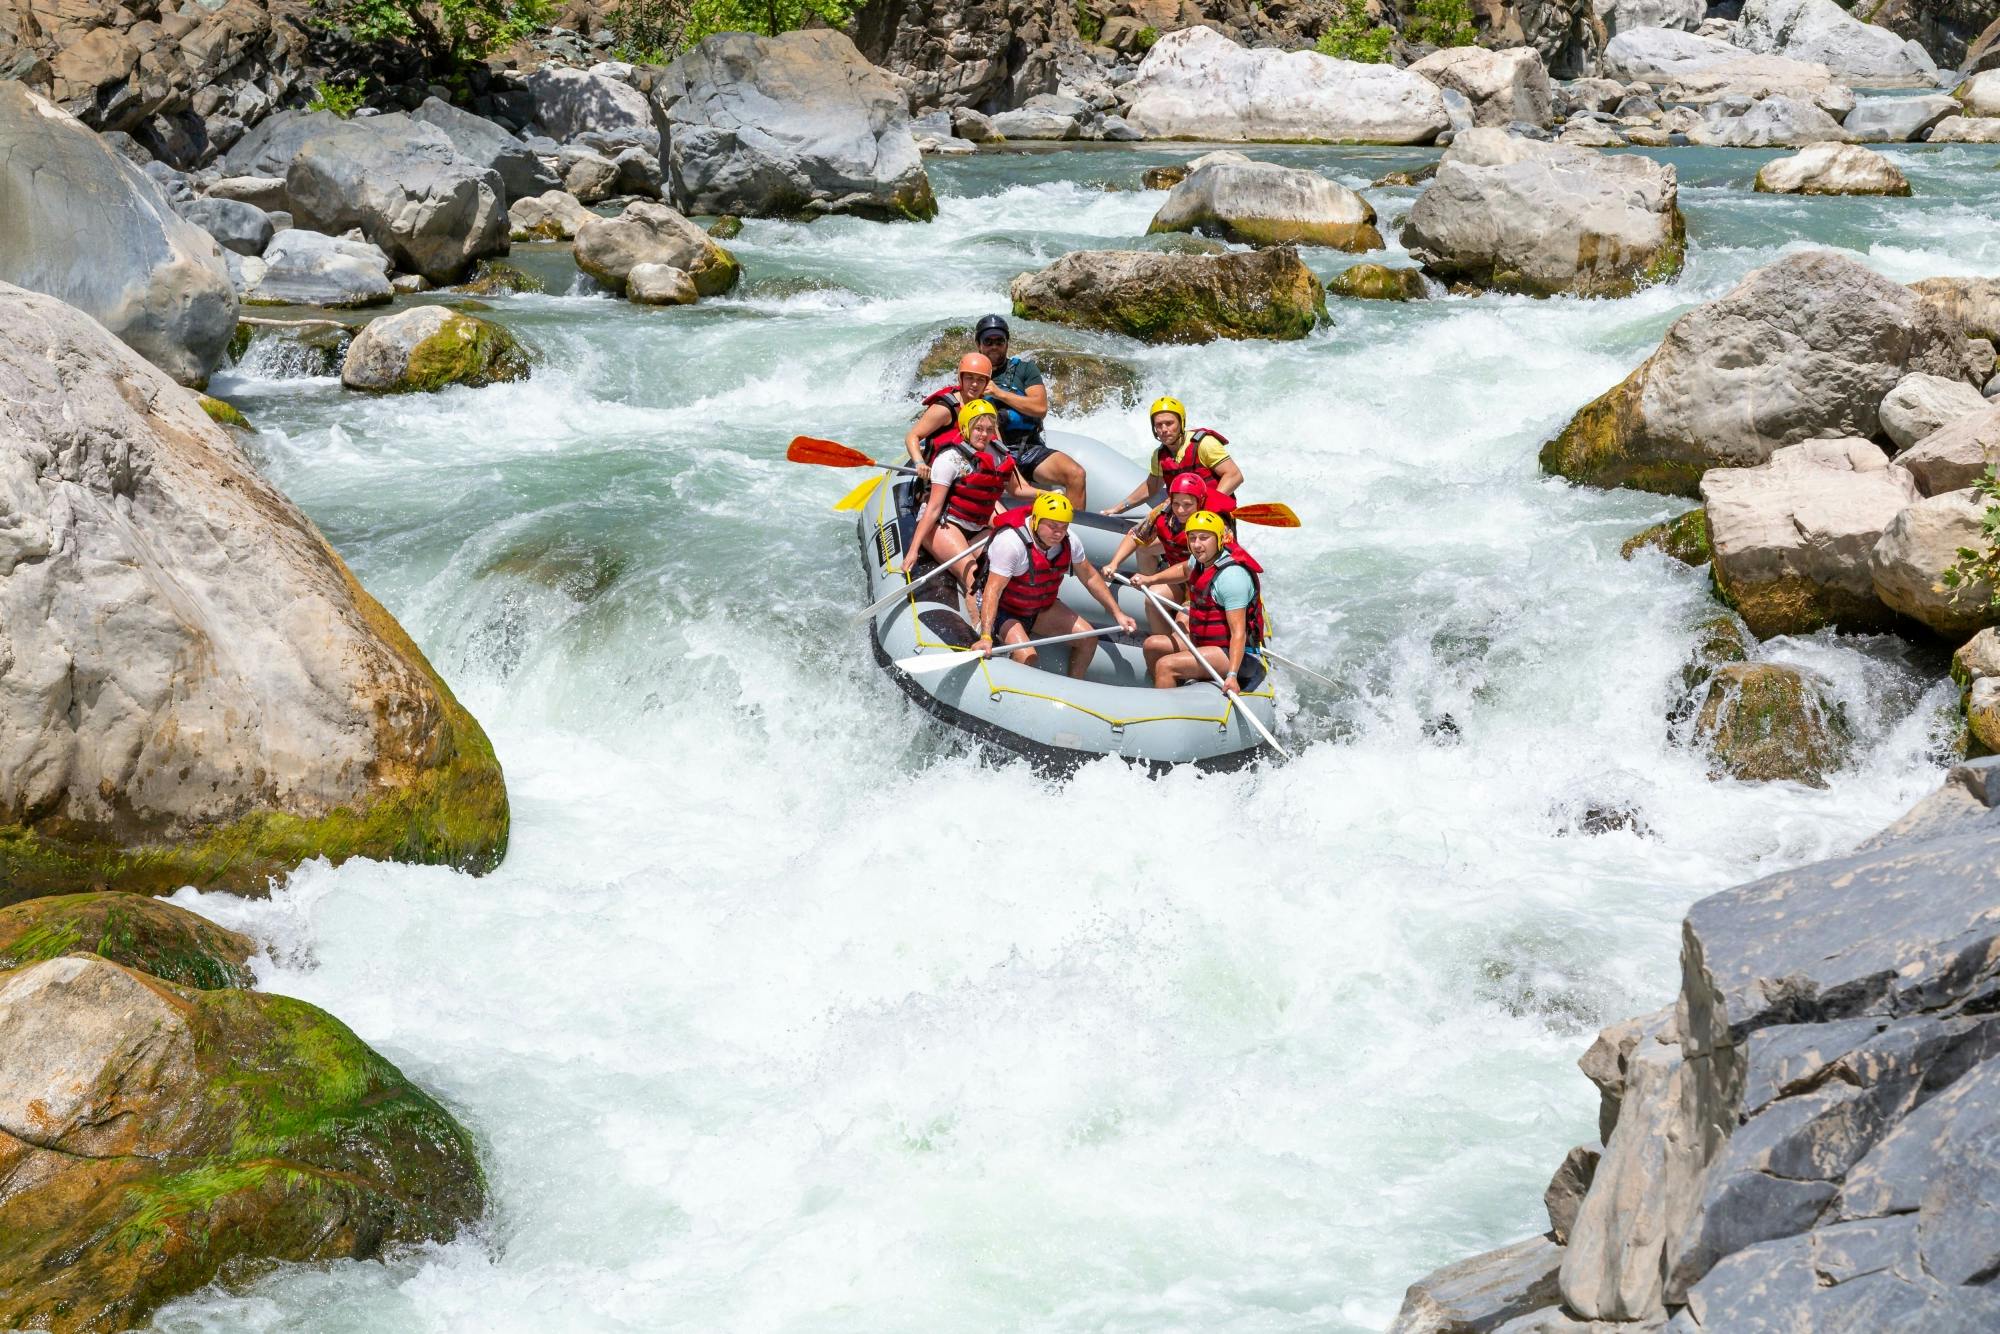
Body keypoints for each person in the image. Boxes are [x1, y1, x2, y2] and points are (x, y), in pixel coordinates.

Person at [974, 491, 1136, 677]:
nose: (1058, 533)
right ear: (1035, 520)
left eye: (1063, 526)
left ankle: (1072, 689)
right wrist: (986, 636)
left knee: (1089, 639)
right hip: (1005, 610)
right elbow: (992, 591)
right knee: (1027, 656)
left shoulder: (1070, 541)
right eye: (1052, 526)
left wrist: (1118, 613)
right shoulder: (1011, 543)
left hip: (1041, 608)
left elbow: (1090, 577)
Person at [901, 399, 1038, 608]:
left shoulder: (999, 455)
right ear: (966, 428)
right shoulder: (950, 458)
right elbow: (934, 508)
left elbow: (1018, 489)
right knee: (974, 577)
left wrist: (1046, 494)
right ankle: (977, 631)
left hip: (978, 525)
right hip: (945, 524)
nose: (984, 434)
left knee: (1002, 568)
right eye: (978, 428)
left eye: (989, 429)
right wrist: (913, 549)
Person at [1131, 511, 1266, 696]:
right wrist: (1150, 579)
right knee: (1152, 645)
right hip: (1206, 642)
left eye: (1204, 538)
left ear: (1219, 539)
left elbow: (1238, 633)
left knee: (1166, 665)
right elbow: (1183, 569)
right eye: (1192, 538)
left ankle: (1162, 714)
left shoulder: (1232, 578)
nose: (1197, 544)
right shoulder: (1202, 560)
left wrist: (1232, 675)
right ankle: (1170, 693)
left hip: (1237, 655)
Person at [972, 314, 1090, 509]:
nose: (994, 346)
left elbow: (1040, 408)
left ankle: (1070, 533)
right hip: (990, 452)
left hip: (1028, 448)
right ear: (979, 344)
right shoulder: (973, 374)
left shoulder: (1025, 370)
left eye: (999, 341)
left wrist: (999, 393)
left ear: (1007, 343)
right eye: (988, 341)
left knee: (1076, 474)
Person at [1104, 472, 1206, 637]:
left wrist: (1152, 580)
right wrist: (1114, 563)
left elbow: (1191, 567)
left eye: (1187, 505)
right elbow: (1136, 535)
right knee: (1153, 598)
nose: (1180, 510)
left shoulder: (1211, 523)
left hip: (1204, 586)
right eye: (1176, 503)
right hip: (1180, 579)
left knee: (1184, 621)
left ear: (1199, 502)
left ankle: (1181, 652)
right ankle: (1162, 645)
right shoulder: (1165, 510)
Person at [1110, 396, 1244, 515]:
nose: (1164, 429)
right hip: (1182, 514)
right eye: (1158, 425)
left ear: (1181, 423)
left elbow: (1234, 475)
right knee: (1140, 536)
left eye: (1169, 423)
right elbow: (1151, 487)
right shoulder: (1159, 455)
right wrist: (1119, 508)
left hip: (1213, 515)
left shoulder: (1204, 444)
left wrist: (1206, 507)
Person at [903, 352, 992, 480]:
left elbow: (995, 443)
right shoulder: (944, 409)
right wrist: (919, 463)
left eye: (980, 380)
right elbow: (912, 436)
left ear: (986, 383)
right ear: (960, 379)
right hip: (940, 476)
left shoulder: (985, 408)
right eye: (969, 378)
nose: (974, 384)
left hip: (968, 474)